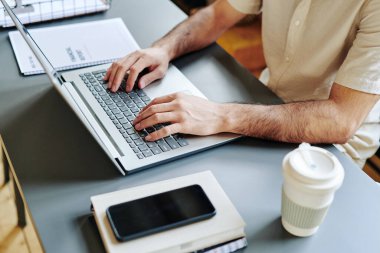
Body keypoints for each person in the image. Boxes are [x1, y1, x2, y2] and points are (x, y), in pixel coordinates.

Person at [104, 0, 380, 168]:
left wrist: (220, 115)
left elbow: (340, 120)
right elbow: (218, 15)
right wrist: (163, 49)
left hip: (332, 144)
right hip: (267, 101)